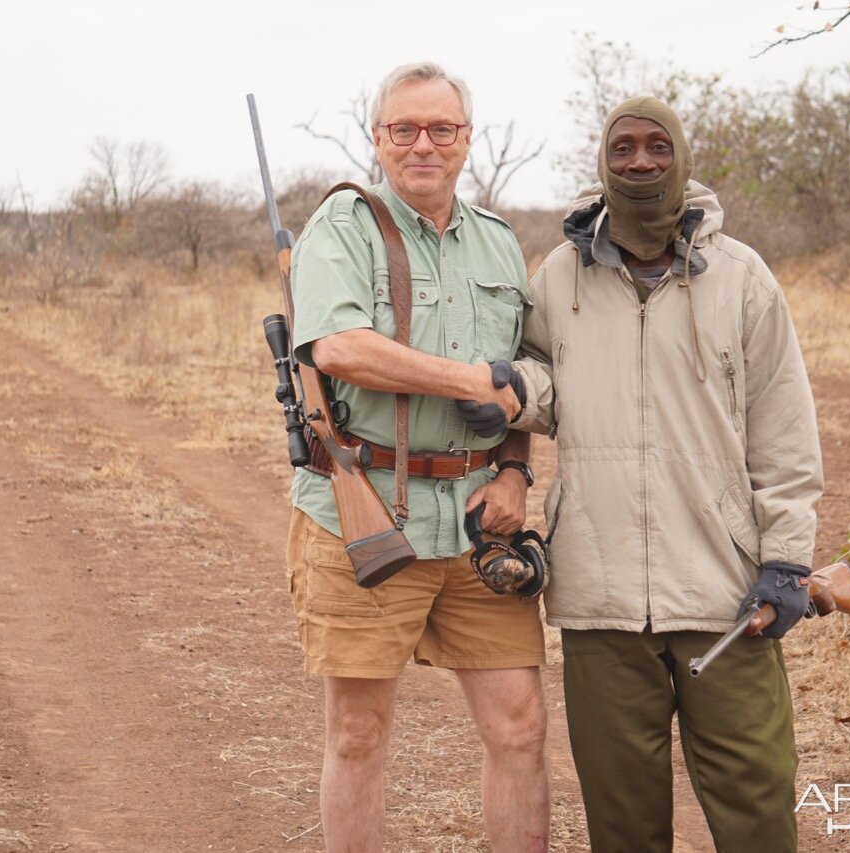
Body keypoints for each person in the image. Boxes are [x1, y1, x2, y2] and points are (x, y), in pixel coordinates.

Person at [506, 96, 824, 851]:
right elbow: (544, 379)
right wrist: (513, 392)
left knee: (757, 812)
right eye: (623, 149)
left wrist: (785, 559)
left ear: (681, 156)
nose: (640, 162)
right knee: (622, 827)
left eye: (656, 147)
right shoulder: (559, 276)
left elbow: (784, 431)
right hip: (599, 597)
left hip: (726, 594)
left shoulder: (741, 276)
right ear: (602, 161)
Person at [284, 61, 549, 852]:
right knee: (359, 731)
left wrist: (513, 469)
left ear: (467, 139)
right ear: (379, 138)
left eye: (441, 128)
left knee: (520, 726)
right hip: (364, 511)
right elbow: (338, 345)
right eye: (405, 129)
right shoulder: (342, 226)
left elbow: (517, 382)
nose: (423, 144)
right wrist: (467, 378)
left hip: (478, 522)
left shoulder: (501, 244)